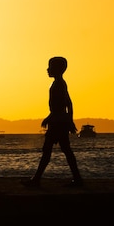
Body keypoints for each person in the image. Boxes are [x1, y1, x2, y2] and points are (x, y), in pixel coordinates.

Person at [22, 57, 83, 187]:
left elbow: (65, 105)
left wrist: (65, 120)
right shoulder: (58, 84)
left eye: (50, 67)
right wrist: (64, 119)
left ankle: (36, 180)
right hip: (58, 121)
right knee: (62, 150)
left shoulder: (59, 84)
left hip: (58, 123)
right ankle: (77, 179)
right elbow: (66, 105)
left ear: (58, 69)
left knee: (50, 150)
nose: (47, 69)